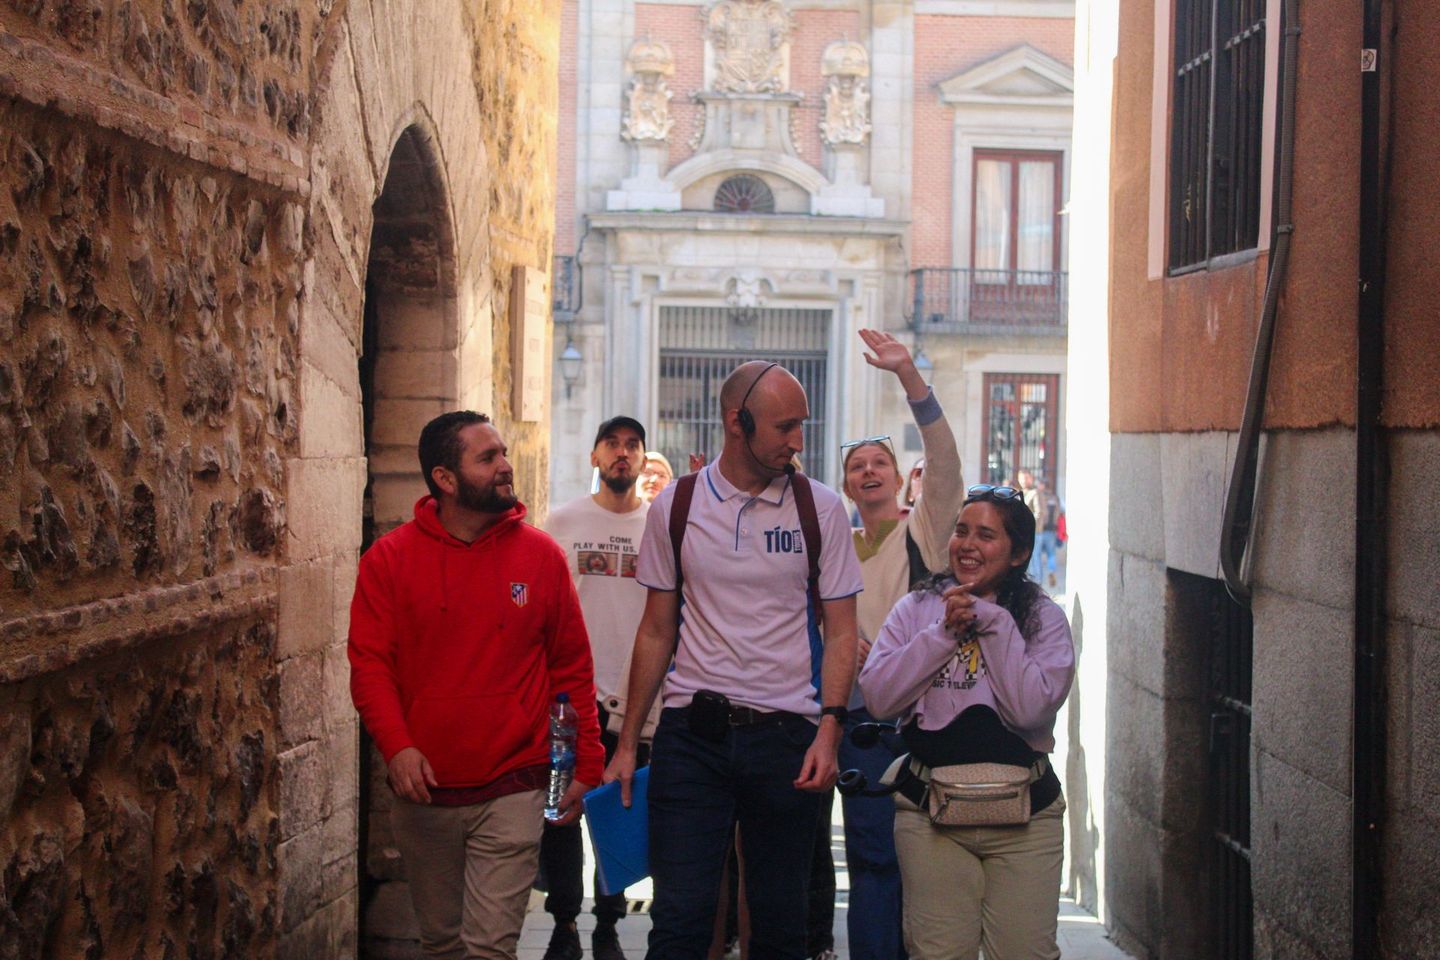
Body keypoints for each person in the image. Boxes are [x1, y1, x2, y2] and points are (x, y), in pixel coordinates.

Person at [605, 361, 864, 959]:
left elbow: (843, 631)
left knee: (779, 924)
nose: (798, 440)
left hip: (788, 740)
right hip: (693, 738)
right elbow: (655, 630)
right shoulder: (676, 505)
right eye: (785, 426)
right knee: (680, 920)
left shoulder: (819, 509)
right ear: (736, 423)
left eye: (802, 424)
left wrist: (830, 729)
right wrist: (625, 745)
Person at [348, 411, 605, 960]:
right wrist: (397, 747)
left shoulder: (541, 557)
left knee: (490, 946)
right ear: (445, 478)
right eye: (487, 458)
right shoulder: (387, 562)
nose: (506, 466)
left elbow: (570, 670)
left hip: (515, 781)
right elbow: (370, 666)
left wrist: (582, 766)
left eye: (503, 453)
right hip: (425, 788)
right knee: (442, 944)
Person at [858, 484, 1075, 960]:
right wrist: (943, 633)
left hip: (1026, 818)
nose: (968, 545)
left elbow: (1029, 709)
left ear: (1018, 552)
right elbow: (879, 697)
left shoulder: (1044, 619)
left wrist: (993, 622)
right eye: (961, 531)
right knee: (937, 953)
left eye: (986, 535)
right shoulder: (917, 609)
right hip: (930, 816)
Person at [837, 329, 964, 960]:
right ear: (846, 483)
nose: (868, 471)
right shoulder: (833, 549)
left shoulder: (928, 532)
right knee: (869, 864)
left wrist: (909, 376)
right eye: (856, 465)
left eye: (878, 462)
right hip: (860, 723)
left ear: (896, 475)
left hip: (920, 719)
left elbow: (943, 457)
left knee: (927, 867)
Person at [539, 416, 661, 960]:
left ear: (640, 460)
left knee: (619, 809)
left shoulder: (660, 526)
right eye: (612, 444)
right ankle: (563, 925)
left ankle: (608, 924)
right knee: (561, 810)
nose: (622, 453)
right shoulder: (560, 523)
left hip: (637, 699)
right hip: (570, 699)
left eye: (632, 446)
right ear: (594, 457)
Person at [1015, 469, 1047, 582]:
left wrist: (1033, 528)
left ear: (1031, 478)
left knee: (1034, 559)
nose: (1024, 481)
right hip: (1023, 533)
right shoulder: (1022, 493)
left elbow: (1040, 512)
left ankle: (1037, 586)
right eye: (1022, 478)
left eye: (1026, 478)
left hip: (1034, 533)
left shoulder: (1035, 493)